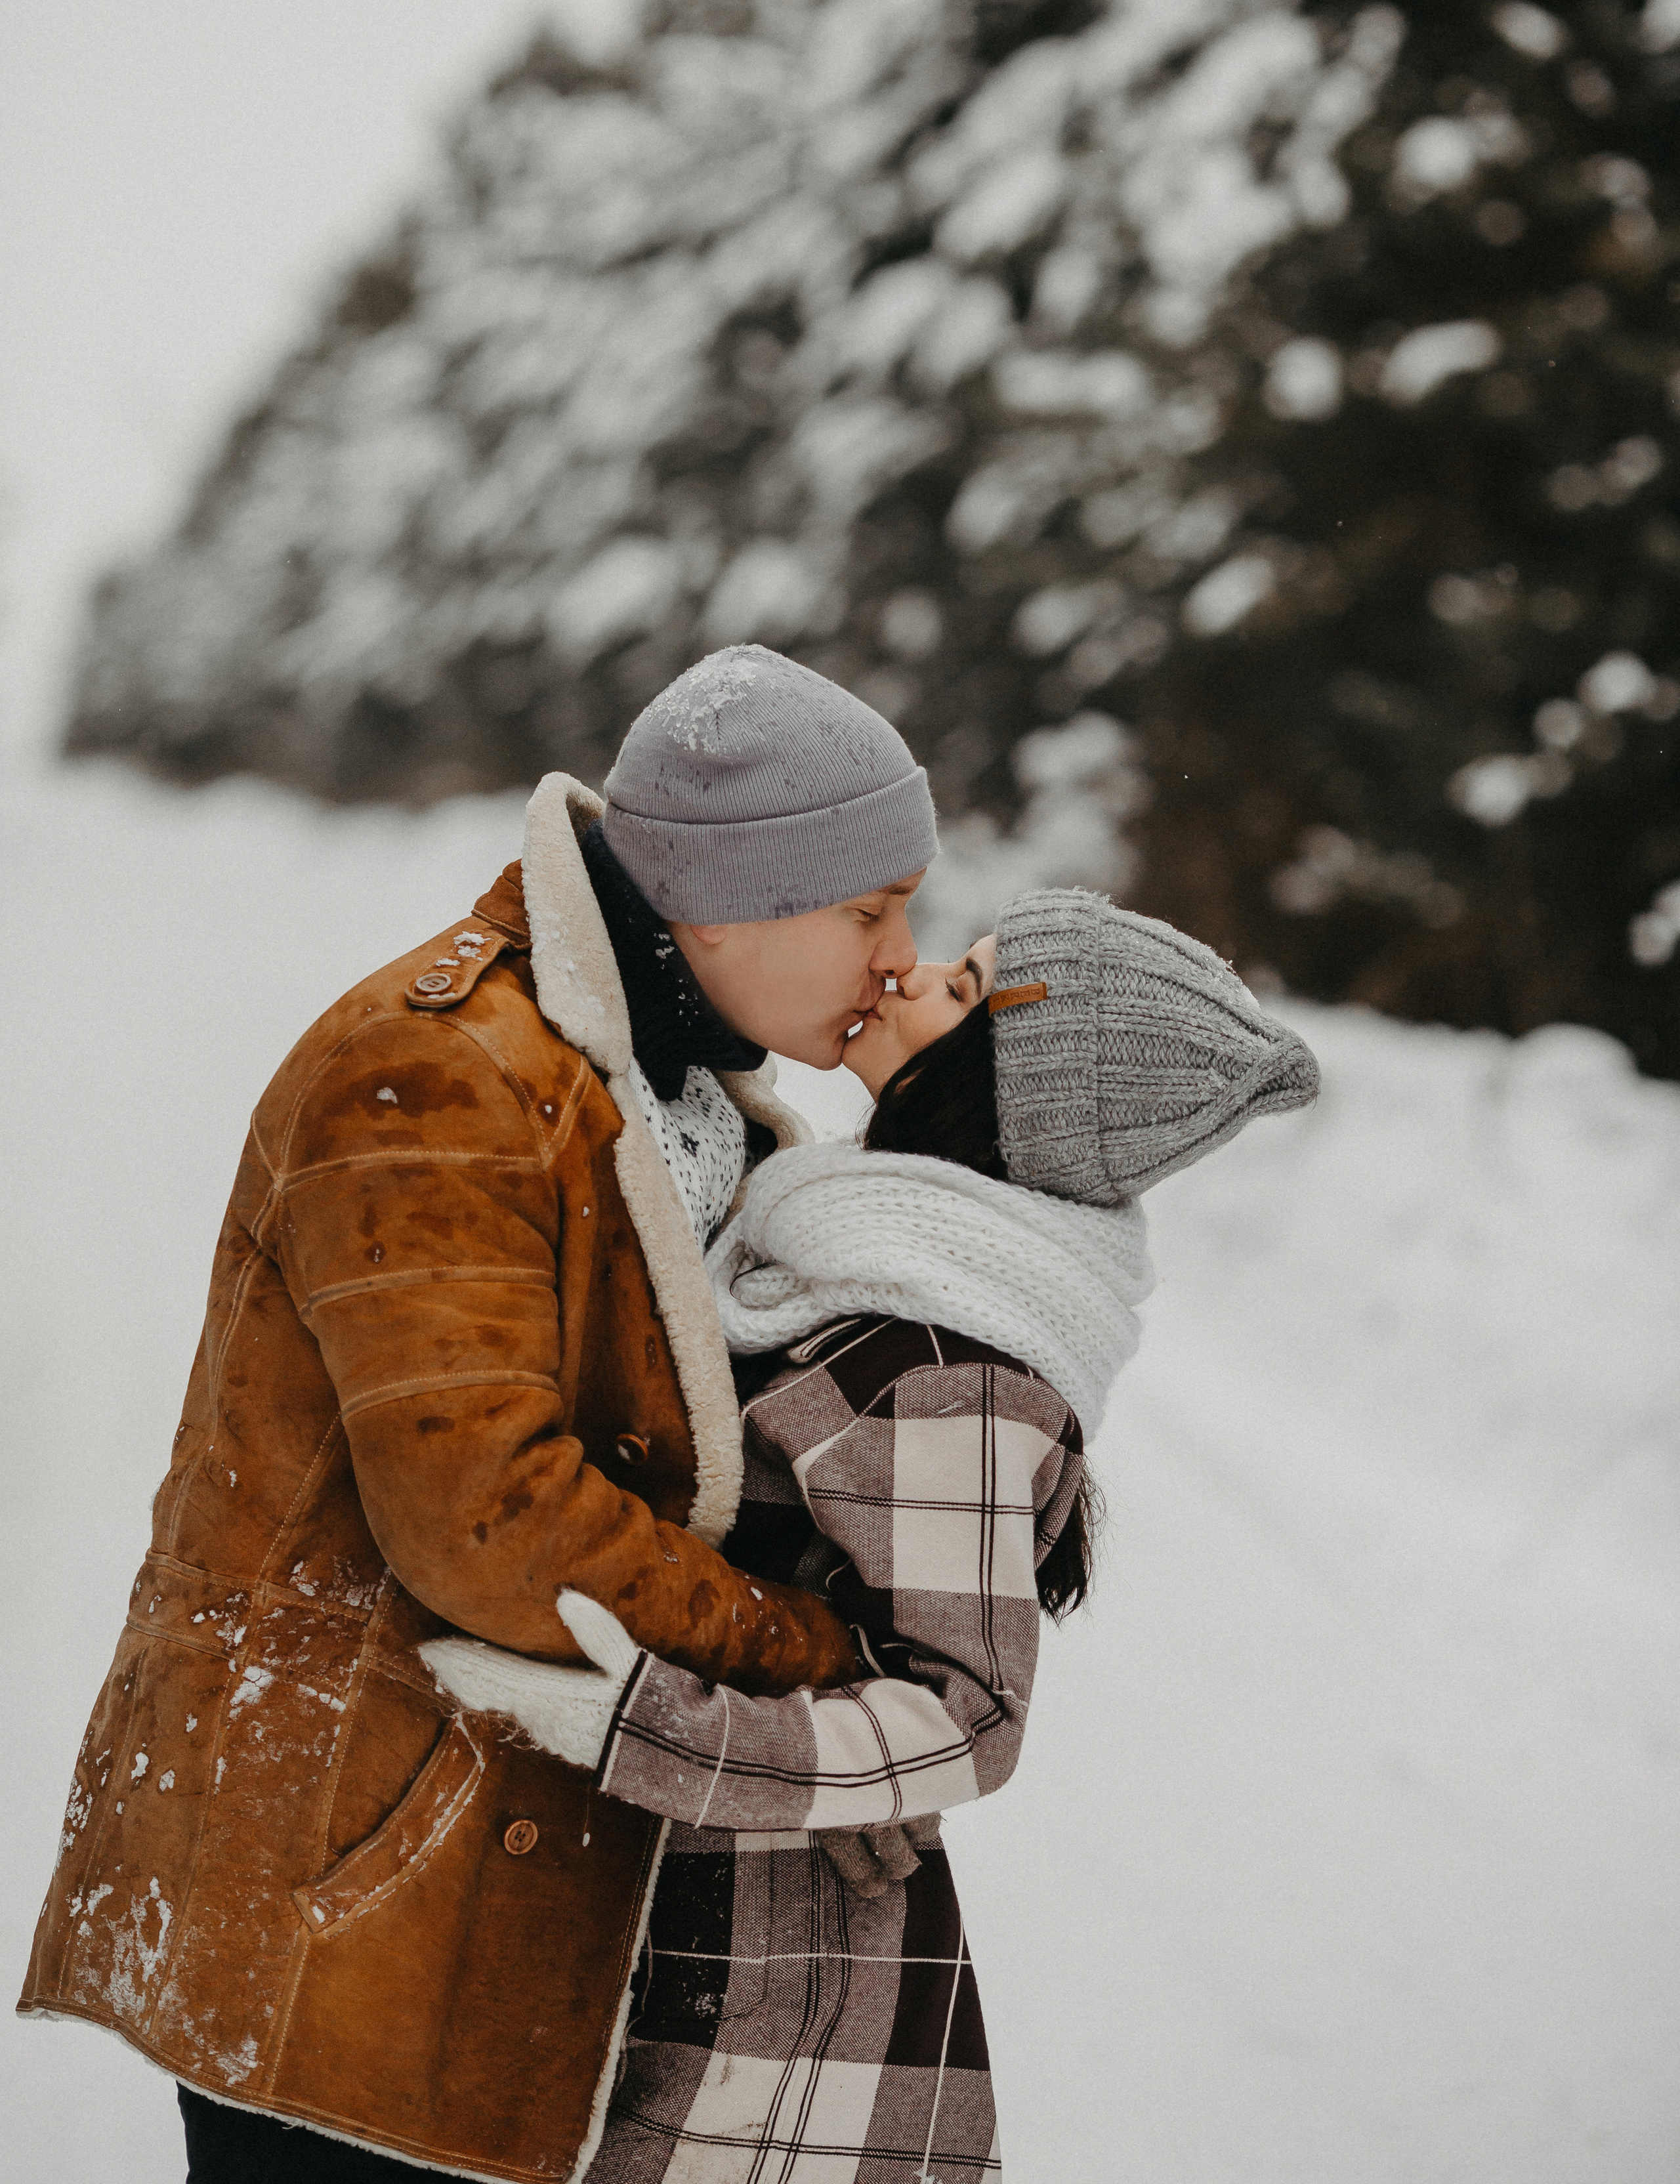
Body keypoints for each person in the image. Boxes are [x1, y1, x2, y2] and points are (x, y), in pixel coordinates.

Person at [19, 646, 942, 2183]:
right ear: (722, 902)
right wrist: (812, 1668)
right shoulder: (431, 1068)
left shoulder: (687, 1100)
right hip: (346, 1887)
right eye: (867, 911)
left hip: (495, 1882)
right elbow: (491, 1521)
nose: (900, 959)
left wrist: (925, 1139)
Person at [427, 885, 1320, 2181]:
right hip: (705, 1905)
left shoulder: (953, 1357)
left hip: (770, 1978)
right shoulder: (863, 1255)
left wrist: (634, 1724)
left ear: (1013, 1098)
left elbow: (967, 1708)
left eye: (957, 987)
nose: (906, 976)